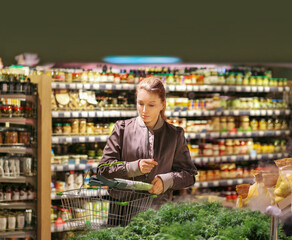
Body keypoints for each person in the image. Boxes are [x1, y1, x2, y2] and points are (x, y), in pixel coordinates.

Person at [98, 76, 197, 211]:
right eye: (140, 103)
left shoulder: (174, 135)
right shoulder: (122, 129)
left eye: (151, 105)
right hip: (122, 214)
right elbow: (103, 169)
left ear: (162, 104)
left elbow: (189, 175)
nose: (144, 110)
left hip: (158, 214)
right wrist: (133, 167)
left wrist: (166, 181)